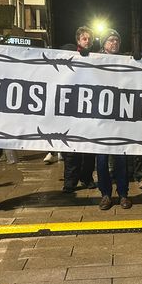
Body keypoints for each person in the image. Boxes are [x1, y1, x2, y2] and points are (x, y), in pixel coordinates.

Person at [96, 28, 132, 210]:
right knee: (101, 159)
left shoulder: (125, 61)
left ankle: (123, 193)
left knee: (120, 158)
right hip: (101, 120)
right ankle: (105, 194)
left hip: (119, 119)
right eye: (110, 40)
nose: (114, 43)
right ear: (103, 43)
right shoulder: (95, 60)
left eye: (117, 40)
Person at [60, 30, 97, 193]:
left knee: (88, 148)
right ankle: (70, 181)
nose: (87, 41)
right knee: (71, 148)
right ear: (78, 41)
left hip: (90, 107)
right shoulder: (69, 54)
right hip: (72, 107)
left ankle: (87, 178)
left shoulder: (97, 58)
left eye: (89, 38)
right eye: (84, 38)